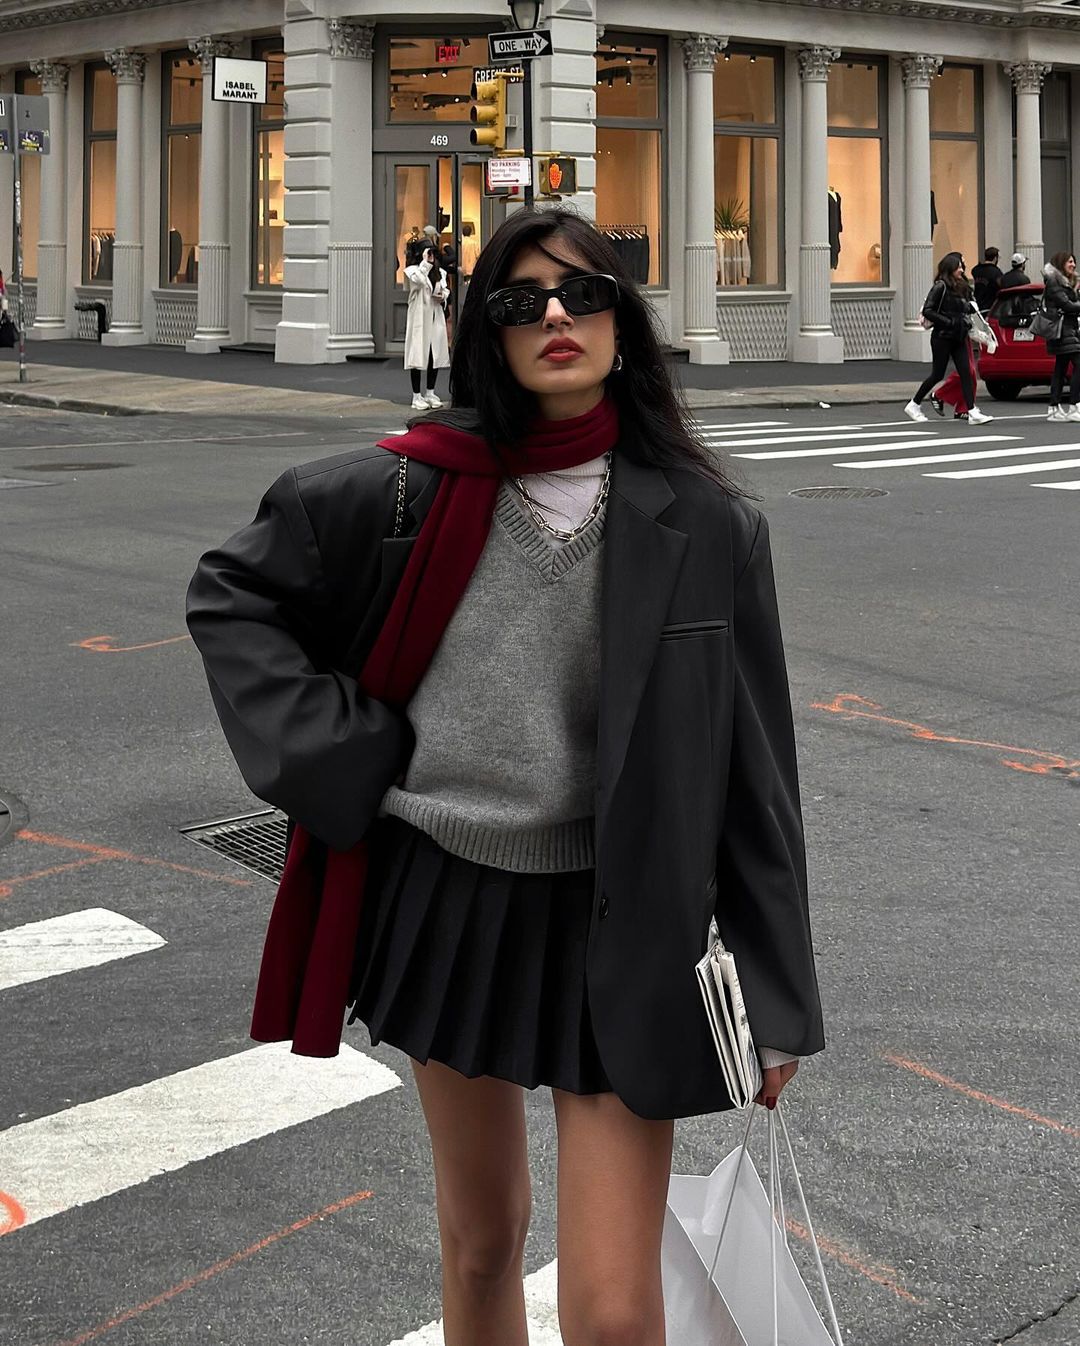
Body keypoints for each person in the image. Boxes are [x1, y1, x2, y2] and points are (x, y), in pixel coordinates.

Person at [186, 206, 825, 1346]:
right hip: (450, 900)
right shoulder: (407, 490)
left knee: (615, 1312)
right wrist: (347, 755)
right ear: (488, 331)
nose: (557, 318)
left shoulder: (710, 523)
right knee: (482, 1240)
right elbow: (234, 596)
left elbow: (753, 773)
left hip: (625, 914)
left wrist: (775, 1002)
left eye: (585, 294)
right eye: (522, 300)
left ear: (624, 324)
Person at [906, 253, 993, 425]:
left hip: (958, 335)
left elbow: (960, 308)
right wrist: (949, 321)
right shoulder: (940, 286)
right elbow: (928, 311)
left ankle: (972, 410)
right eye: (958, 267)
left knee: (966, 373)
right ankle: (914, 404)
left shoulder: (960, 286)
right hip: (942, 337)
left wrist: (969, 307)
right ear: (950, 268)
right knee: (937, 374)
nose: (961, 270)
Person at [403, 239, 450, 412]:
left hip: (435, 317)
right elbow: (419, 282)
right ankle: (416, 395)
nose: (431, 256)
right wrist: (425, 263)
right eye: (427, 252)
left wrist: (443, 296)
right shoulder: (413, 271)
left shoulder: (440, 273)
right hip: (419, 319)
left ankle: (430, 392)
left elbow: (445, 289)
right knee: (417, 356)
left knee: (434, 355)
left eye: (432, 253)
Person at [1041, 252, 1080, 423]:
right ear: (1061, 263)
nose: (1073, 265)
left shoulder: (1066, 282)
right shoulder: (1054, 281)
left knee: (1061, 368)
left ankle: (1054, 408)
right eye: (1070, 262)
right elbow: (1067, 305)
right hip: (1063, 329)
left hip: (1068, 328)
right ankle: (1075, 405)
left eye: (1074, 262)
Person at [971, 246, 1003, 311]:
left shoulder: (976, 269)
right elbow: (1001, 286)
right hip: (991, 307)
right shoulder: (996, 272)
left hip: (978, 306)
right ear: (995, 258)